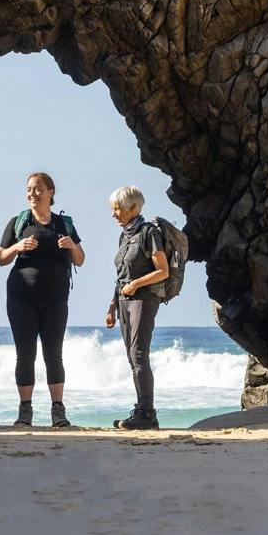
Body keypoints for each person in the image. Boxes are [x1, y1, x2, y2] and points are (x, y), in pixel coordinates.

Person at [0, 172, 86, 428]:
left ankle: (58, 411)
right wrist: (18, 247)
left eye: (37, 189)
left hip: (56, 299)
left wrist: (72, 246)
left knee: (53, 354)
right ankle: (25, 411)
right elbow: (1, 258)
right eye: (29, 189)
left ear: (50, 192)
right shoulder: (18, 222)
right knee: (25, 354)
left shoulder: (63, 224)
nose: (32, 194)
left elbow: (80, 259)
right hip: (20, 298)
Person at [104, 184, 169, 430]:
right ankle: (142, 411)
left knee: (139, 355)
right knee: (132, 357)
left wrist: (136, 285)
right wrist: (111, 308)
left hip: (144, 299)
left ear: (133, 208)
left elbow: (162, 271)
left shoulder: (147, 233)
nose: (114, 214)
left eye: (117, 208)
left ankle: (147, 413)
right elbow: (121, 275)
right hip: (124, 302)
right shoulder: (126, 234)